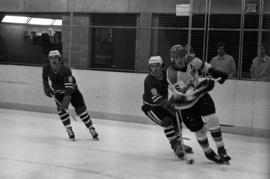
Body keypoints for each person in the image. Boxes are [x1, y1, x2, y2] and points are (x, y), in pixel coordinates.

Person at [167, 44, 231, 164]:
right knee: (200, 130)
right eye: (177, 57)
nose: (180, 59)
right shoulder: (171, 74)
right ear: (172, 59)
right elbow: (186, 96)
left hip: (200, 96)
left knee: (212, 118)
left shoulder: (192, 60)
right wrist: (204, 87)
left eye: (182, 56)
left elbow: (206, 67)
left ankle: (221, 148)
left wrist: (216, 73)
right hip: (184, 103)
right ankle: (208, 152)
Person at [141, 56, 193, 159]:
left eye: (157, 66)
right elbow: (156, 97)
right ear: (149, 68)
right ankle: (175, 146)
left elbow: (175, 83)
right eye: (152, 66)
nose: (155, 68)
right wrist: (169, 106)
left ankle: (180, 143)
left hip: (163, 105)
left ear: (161, 66)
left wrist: (181, 90)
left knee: (177, 118)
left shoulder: (166, 75)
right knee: (167, 121)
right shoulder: (149, 80)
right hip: (152, 108)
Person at [42, 50, 99, 141]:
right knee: (62, 112)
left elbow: (69, 89)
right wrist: (47, 89)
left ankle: (91, 128)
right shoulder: (46, 68)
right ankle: (69, 129)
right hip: (59, 93)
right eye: (51, 58)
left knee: (81, 110)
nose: (54, 61)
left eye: (56, 58)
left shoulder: (66, 69)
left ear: (60, 59)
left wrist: (64, 104)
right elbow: (45, 80)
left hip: (72, 91)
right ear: (49, 60)